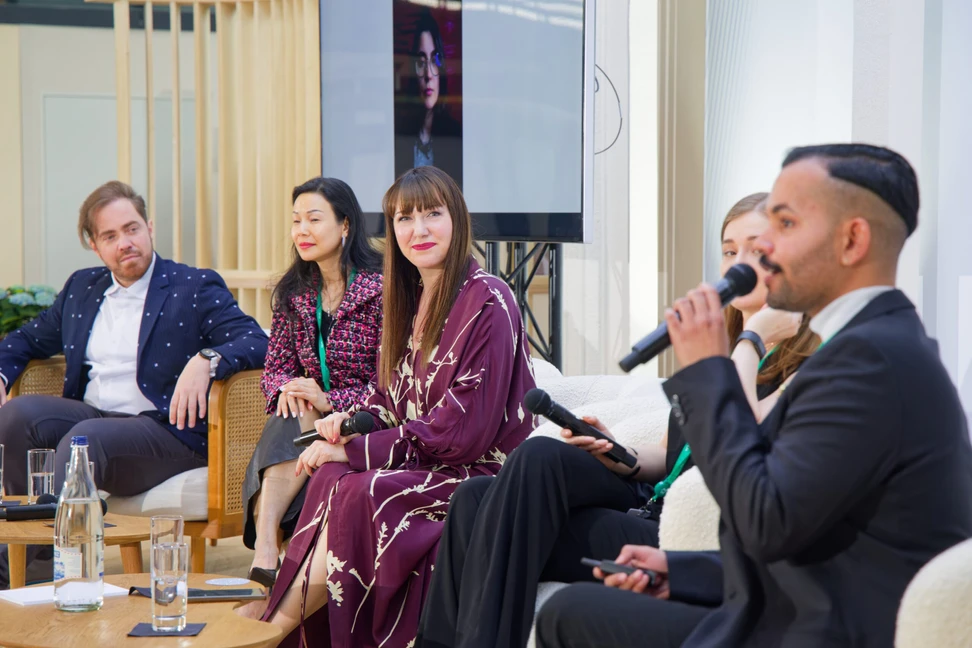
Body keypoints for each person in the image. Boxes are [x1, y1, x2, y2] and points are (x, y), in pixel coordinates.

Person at [535, 144, 972, 648]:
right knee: (570, 612)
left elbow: (764, 520)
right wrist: (682, 570)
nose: (765, 250)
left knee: (571, 616)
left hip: (826, 631)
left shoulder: (871, 363)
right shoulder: (867, 348)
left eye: (784, 225)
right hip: (799, 608)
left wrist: (709, 368)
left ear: (853, 240)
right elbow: (800, 523)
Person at [416, 193, 819, 648]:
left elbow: (744, 436)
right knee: (478, 494)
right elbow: (675, 457)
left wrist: (754, 337)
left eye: (755, 249)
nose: (738, 263)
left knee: (535, 459)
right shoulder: (721, 348)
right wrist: (620, 455)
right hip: (650, 497)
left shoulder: (811, 363)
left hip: (684, 531)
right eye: (729, 250)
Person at [237, 166, 537, 648]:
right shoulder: (411, 298)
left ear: (456, 219)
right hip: (425, 457)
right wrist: (346, 424)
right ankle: (284, 624)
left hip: (477, 473)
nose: (418, 231)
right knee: (331, 477)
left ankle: (274, 629)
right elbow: (387, 398)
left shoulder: (489, 301)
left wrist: (357, 452)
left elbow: (463, 430)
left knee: (357, 488)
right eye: (404, 219)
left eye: (432, 215)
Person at [0, 180, 268, 585]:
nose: (125, 242)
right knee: (18, 415)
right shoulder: (81, 288)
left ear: (149, 227)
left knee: (83, 440)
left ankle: (21, 571)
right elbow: (26, 339)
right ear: (95, 244)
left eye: (132, 228)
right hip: (93, 414)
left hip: (165, 430)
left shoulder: (193, 286)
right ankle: (31, 570)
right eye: (110, 235)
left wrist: (207, 358)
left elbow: (256, 341)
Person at [241, 177, 383, 588]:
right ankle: (268, 546)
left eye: (314, 219)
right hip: (305, 422)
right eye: (295, 220)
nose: (301, 230)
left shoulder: (384, 289)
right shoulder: (295, 291)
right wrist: (288, 389)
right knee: (293, 402)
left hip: (367, 420)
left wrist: (328, 398)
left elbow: (389, 382)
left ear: (345, 226)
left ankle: (265, 549)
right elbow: (274, 370)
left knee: (304, 404)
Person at [394, 9, 462, 184]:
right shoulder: (400, 137)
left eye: (434, 61)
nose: (428, 75)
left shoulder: (454, 136)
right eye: (420, 63)